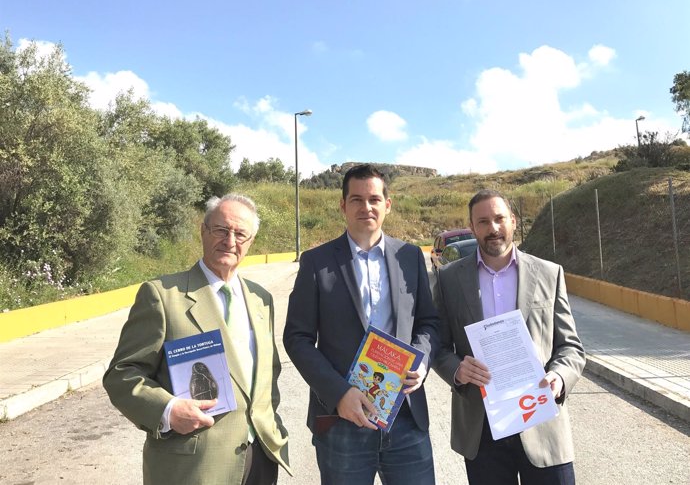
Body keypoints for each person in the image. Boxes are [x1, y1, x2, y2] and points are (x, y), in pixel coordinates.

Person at [103, 194, 290, 485]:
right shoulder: (162, 295)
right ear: (203, 231)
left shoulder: (260, 299)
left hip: (260, 460)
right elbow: (122, 374)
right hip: (193, 466)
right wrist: (167, 410)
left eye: (240, 234)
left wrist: (269, 425)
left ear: (251, 241)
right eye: (221, 230)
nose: (230, 241)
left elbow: (268, 374)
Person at [283, 163, 438, 485]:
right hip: (342, 420)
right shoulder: (317, 262)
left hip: (405, 417)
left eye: (374, 199)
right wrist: (339, 393)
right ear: (343, 205)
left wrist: (421, 363)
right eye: (356, 199)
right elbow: (297, 338)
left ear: (387, 205)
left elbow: (428, 322)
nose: (365, 207)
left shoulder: (409, 257)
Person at [432, 189, 586, 485]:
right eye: (483, 221)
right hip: (482, 429)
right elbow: (438, 347)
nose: (493, 228)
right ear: (473, 227)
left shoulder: (549, 273)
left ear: (513, 221)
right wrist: (456, 370)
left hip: (541, 421)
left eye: (499, 218)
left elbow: (571, 348)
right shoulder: (449, 279)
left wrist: (559, 377)